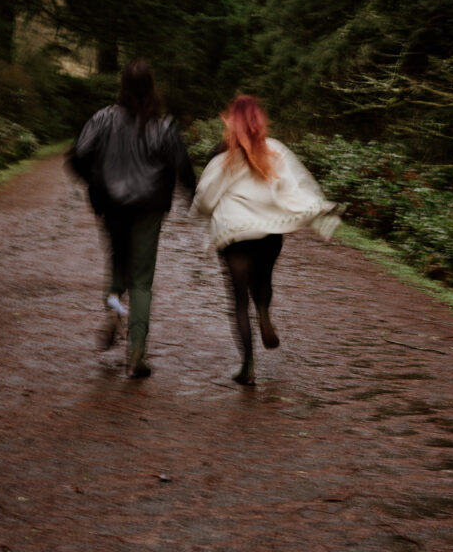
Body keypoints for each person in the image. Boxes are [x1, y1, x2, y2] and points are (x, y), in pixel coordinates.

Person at [191, 95, 341, 386]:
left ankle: (247, 364)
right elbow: (295, 188)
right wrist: (317, 210)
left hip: (234, 232)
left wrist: (202, 209)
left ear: (230, 123)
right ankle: (264, 310)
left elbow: (206, 199)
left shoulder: (223, 157)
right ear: (260, 121)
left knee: (237, 301)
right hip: (268, 232)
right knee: (263, 280)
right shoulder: (276, 152)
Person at [69, 59, 195, 379]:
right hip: (148, 209)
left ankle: (114, 313)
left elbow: (78, 155)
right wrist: (194, 197)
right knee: (141, 280)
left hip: (112, 207)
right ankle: (136, 350)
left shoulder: (103, 118)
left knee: (117, 266)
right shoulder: (163, 125)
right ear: (152, 85)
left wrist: (96, 182)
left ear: (122, 85)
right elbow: (183, 168)